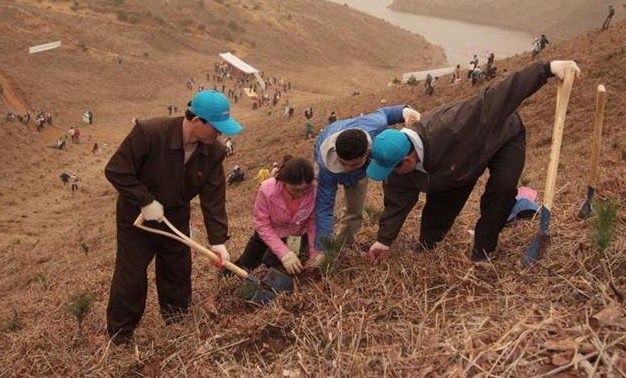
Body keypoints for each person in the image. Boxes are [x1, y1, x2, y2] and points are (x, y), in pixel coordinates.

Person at [364, 60, 580, 264]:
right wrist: (384, 241)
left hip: (502, 136)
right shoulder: (396, 160)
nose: (392, 174)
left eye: (393, 169)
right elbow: (397, 201)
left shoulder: (454, 124)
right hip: (458, 166)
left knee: (502, 189)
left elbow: (499, 95)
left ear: (408, 159)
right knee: (441, 203)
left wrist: (546, 69)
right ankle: (427, 246)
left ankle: (482, 251)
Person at [104, 89, 242, 345]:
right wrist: (144, 199)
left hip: (176, 215)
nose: (220, 134)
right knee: (131, 275)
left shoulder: (214, 152)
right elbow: (116, 170)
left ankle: (177, 322)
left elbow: (213, 198)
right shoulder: (149, 133)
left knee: (177, 271)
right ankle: (120, 335)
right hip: (137, 218)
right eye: (216, 127)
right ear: (197, 121)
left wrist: (218, 241)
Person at [309, 104, 421, 266]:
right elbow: (324, 207)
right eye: (344, 164)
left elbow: (387, 113)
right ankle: (327, 249)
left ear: (368, 151)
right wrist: (323, 249)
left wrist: (407, 112)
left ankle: (344, 245)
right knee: (319, 206)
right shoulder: (327, 166)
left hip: (361, 174)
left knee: (355, 210)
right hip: (329, 167)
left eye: (353, 164)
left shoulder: (373, 126)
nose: (347, 169)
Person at [231, 157, 318, 275]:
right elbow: (262, 224)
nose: (300, 194)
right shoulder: (267, 190)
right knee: (246, 264)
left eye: (304, 190)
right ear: (284, 181)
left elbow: (312, 223)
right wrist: (284, 253)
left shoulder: (314, 190)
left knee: (271, 261)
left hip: (296, 234)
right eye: (295, 190)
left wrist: (314, 253)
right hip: (268, 232)